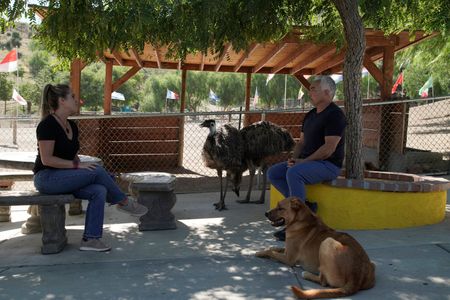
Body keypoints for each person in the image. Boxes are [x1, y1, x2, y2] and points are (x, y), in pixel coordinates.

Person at [33, 84, 148, 252]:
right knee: (96, 170)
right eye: (72, 97)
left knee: (99, 190)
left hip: (65, 177)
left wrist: (81, 166)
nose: (77, 100)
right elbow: (47, 159)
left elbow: (72, 155)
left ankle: (91, 240)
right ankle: (123, 201)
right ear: (62, 101)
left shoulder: (71, 126)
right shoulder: (47, 125)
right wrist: (79, 166)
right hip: (47, 178)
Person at [267, 76, 346, 241]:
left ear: (327, 92)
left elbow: (328, 149)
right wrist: (293, 159)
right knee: (273, 173)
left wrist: (303, 162)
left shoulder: (335, 115)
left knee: (294, 173)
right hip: (307, 162)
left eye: (313, 89)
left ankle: (296, 223)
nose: (309, 92)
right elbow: (301, 142)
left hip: (328, 164)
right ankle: (306, 207)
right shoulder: (310, 115)